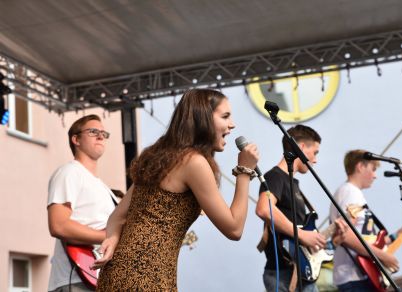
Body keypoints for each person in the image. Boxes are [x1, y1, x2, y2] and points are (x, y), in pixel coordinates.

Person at [92, 88, 259, 291]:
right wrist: (244, 171)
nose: (232, 124)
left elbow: (117, 217)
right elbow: (234, 228)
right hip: (146, 278)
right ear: (203, 118)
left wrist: (112, 239)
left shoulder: (158, 157)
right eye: (225, 116)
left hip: (119, 272)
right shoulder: (193, 162)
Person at [256, 124, 346, 292]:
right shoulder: (275, 176)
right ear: (302, 147)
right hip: (282, 275)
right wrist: (303, 235)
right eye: (315, 152)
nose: (316, 160)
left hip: (303, 274)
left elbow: (304, 240)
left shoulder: (294, 184)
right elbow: (264, 209)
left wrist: (333, 241)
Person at [47, 114, 119, 291]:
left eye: (104, 133)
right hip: (74, 280)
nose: (101, 136)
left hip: (99, 280)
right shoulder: (69, 172)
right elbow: (58, 225)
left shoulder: (103, 187)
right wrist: (108, 237)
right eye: (93, 131)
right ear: (76, 139)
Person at [329, 149, 402, 292]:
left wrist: (398, 235)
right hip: (354, 278)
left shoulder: (350, 192)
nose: (375, 176)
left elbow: (367, 239)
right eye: (373, 169)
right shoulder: (351, 193)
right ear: (360, 166)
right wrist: (383, 257)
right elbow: (346, 237)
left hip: (360, 277)